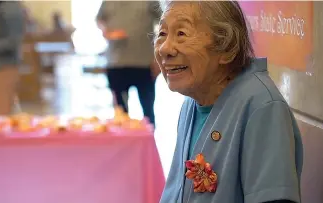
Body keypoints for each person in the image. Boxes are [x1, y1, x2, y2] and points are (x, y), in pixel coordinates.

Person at [155, 1, 303, 203]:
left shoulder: (262, 107)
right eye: (162, 33)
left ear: (226, 48)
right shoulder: (193, 100)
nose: (165, 49)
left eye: (181, 33)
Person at [96, 1, 160, 126]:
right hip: (116, 63)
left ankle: (148, 143)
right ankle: (123, 144)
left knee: (148, 111)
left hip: (144, 63)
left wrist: (159, 56)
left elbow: (165, 21)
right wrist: (106, 31)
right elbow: (99, 19)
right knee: (121, 114)